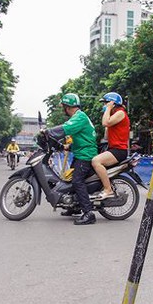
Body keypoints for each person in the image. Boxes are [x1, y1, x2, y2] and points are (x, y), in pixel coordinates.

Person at [42, 93, 98, 225]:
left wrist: (48, 131)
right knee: (69, 180)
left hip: (85, 155)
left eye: (63, 107)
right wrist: (67, 146)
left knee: (77, 181)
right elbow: (83, 137)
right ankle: (74, 207)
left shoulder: (80, 117)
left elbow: (66, 128)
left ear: (67, 106)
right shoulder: (78, 117)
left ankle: (88, 213)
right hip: (81, 152)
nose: (63, 109)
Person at [91, 92, 130, 200]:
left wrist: (108, 110)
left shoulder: (120, 113)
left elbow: (105, 123)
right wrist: (108, 120)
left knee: (96, 161)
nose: (104, 106)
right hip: (113, 149)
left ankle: (108, 189)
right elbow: (106, 136)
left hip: (119, 150)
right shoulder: (114, 116)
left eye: (106, 103)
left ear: (112, 103)